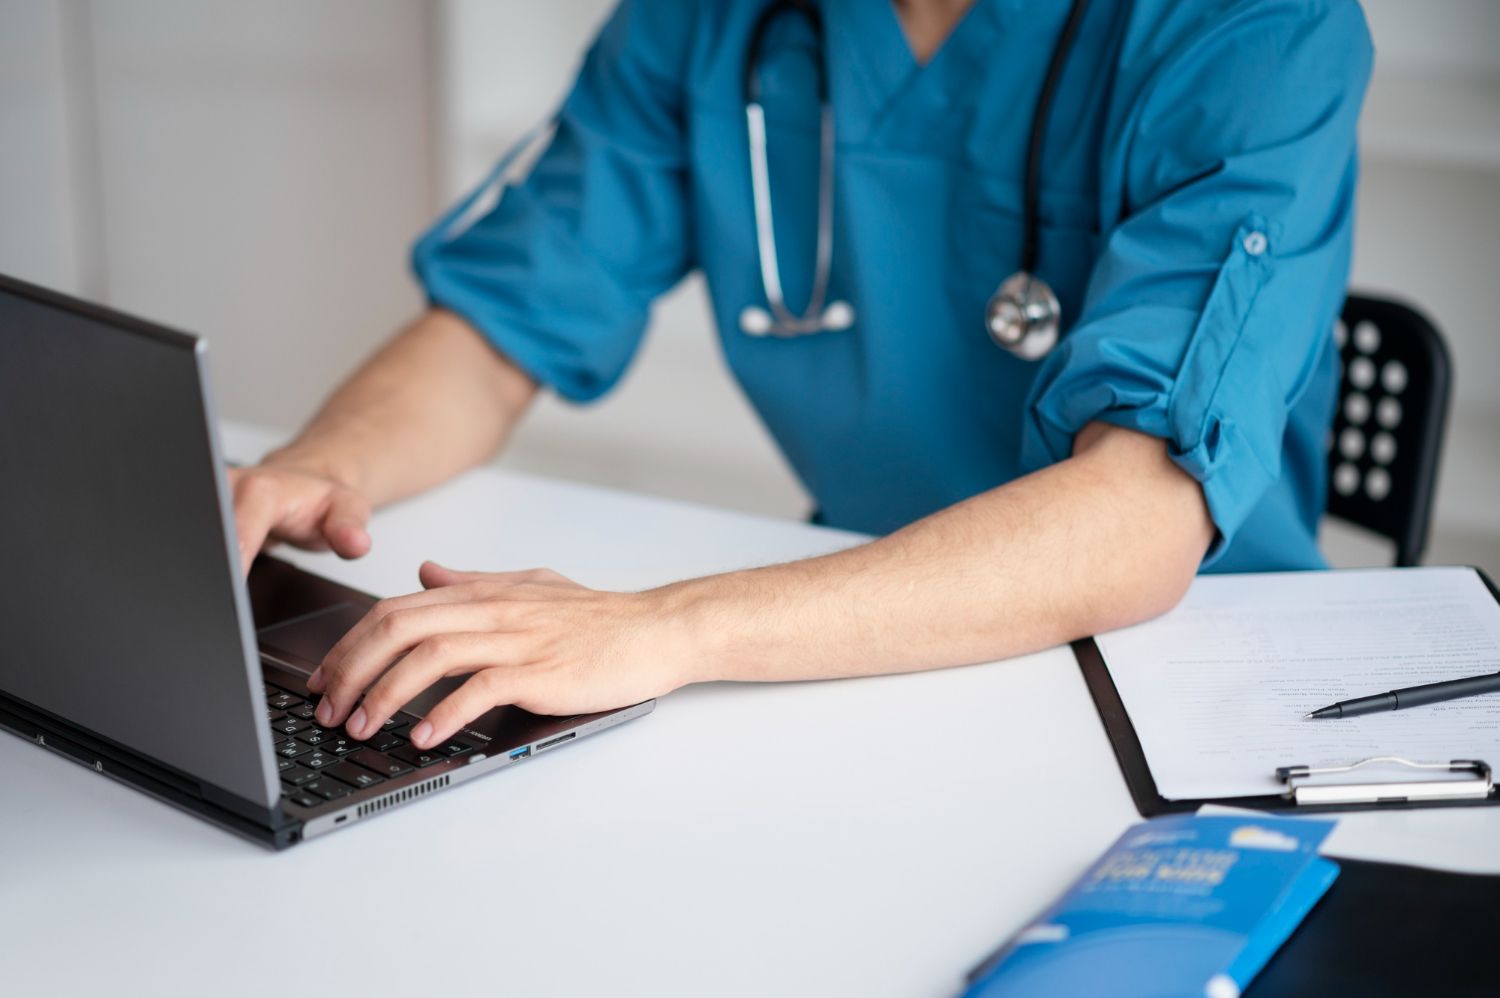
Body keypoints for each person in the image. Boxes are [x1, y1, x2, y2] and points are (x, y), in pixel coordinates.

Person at [230, 0, 1372, 753]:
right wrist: (317, 466)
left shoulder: (1259, 29)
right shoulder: (709, 22)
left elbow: (1137, 517)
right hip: (852, 648)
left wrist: (665, 628)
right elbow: (504, 317)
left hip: (1175, 687)